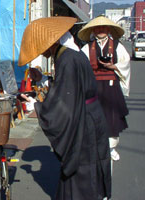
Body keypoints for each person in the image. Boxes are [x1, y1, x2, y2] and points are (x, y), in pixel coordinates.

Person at [18, 17, 111, 200]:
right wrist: (43, 80)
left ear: (50, 43)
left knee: (82, 176)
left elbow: (63, 105)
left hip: (83, 123)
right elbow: (67, 89)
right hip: (88, 115)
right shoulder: (69, 55)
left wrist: (34, 105)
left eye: (41, 47)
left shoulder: (67, 60)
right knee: (82, 176)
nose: (41, 52)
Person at [78, 15, 131, 166]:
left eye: (103, 28)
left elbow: (125, 62)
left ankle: (112, 147)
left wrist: (113, 67)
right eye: (98, 28)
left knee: (112, 118)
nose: (100, 30)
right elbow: (81, 65)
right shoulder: (87, 47)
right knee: (92, 117)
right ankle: (94, 146)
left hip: (111, 85)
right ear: (93, 31)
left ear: (108, 30)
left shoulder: (117, 46)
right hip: (93, 87)